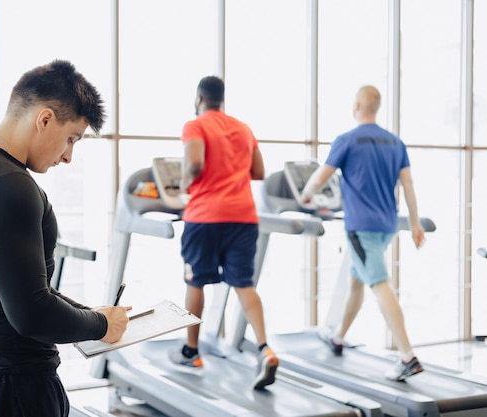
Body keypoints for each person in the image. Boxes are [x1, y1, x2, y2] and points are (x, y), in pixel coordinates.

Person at [0, 60, 130, 417]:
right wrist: (102, 325)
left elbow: (27, 290)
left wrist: (90, 314)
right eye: (71, 139)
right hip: (12, 389)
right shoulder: (9, 185)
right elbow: (31, 314)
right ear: (44, 119)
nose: (68, 156)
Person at [301, 85, 426, 382]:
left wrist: (304, 196)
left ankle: (407, 355)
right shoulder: (395, 143)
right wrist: (416, 223)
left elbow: (321, 177)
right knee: (356, 281)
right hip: (387, 225)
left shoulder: (347, 140)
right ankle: (339, 337)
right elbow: (407, 185)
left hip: (361, 227)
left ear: (356, 104)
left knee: (379, 284)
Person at [170, 75, 279, 390]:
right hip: (244, 217)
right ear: (222, 99)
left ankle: (191, 351)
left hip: (205, 216)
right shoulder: (243, 128)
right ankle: (264, 348)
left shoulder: (196, 125)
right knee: (244, 285)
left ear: (199, 99)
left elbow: (193, 163)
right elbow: (259, 172)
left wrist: (186, 186)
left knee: (196, 281)